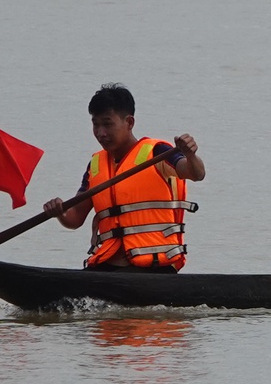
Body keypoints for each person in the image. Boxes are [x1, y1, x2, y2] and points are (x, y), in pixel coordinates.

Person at [42, 84, 207, 269]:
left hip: (154, 267)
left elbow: (196, 173)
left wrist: (190, 155)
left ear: (129, 123)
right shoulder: (95, 165)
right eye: (95, 124)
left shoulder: (157, 152)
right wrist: (59, 213)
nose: (100, 133)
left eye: (107, 124)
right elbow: (75, 218)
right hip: (108, 266)